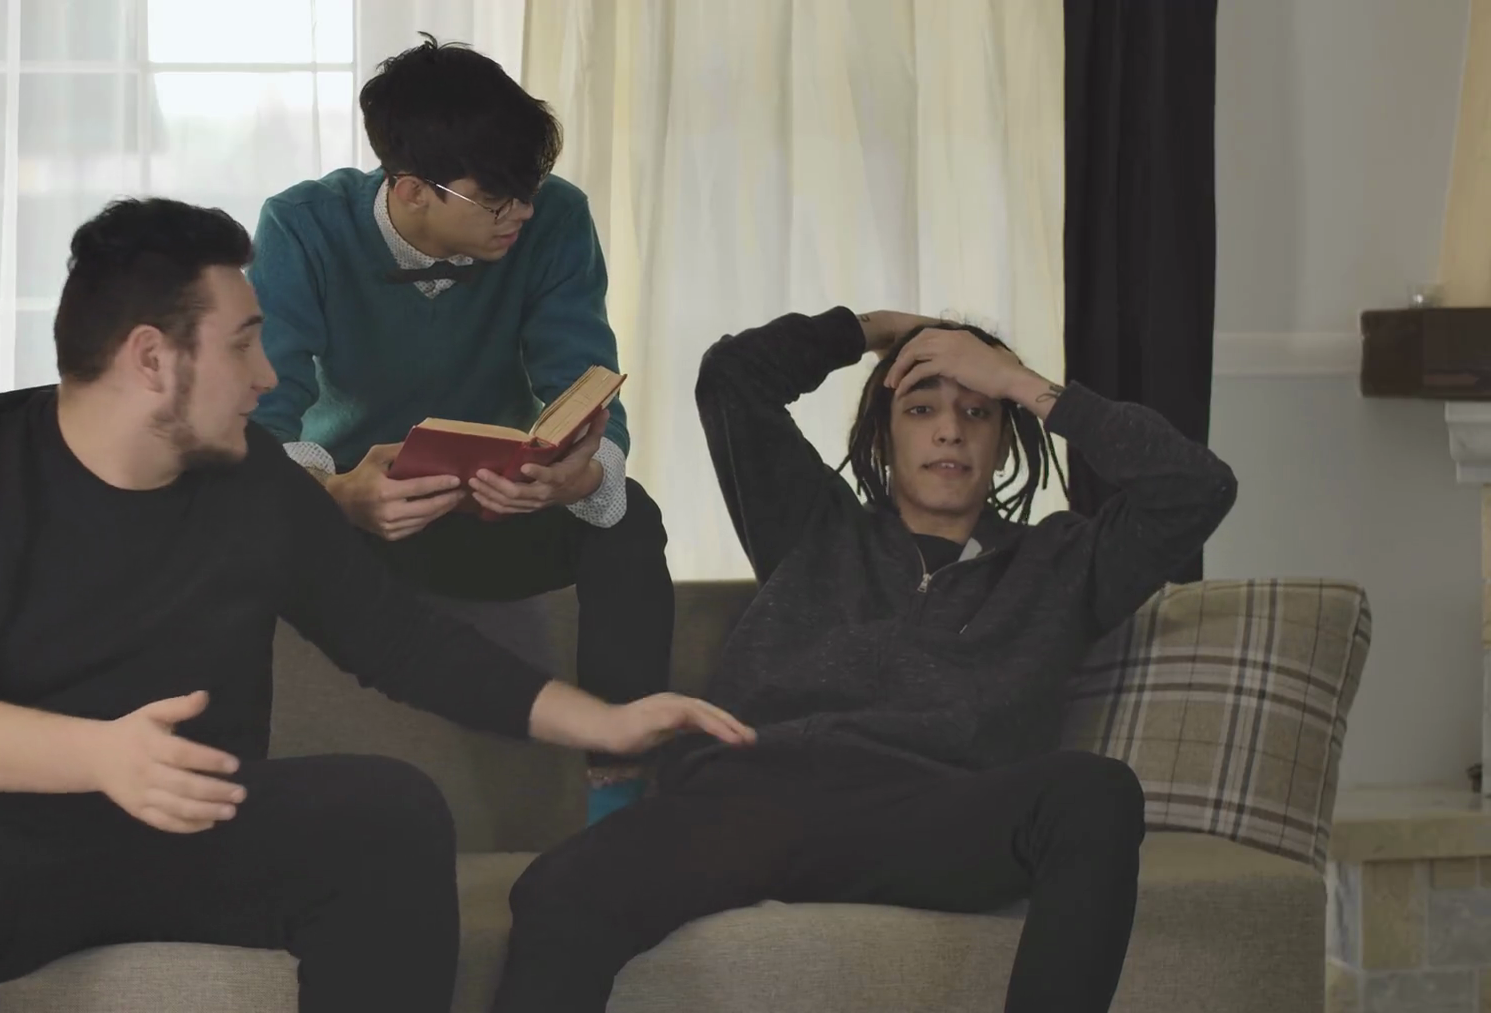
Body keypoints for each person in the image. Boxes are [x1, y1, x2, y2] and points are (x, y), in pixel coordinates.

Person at [0, 196, 754, 1013]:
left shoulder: (254, 478)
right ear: (151, 358)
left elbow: (400, 642)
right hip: (5, 834)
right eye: (243, 342)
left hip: (200, 819)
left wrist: (607, 720)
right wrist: (98, 754)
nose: (266, 374)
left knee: (392, 812)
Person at [488, 307, 1239, 1013]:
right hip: (752, 800)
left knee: (1096, 791)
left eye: (977, 412)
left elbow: (1197, 488)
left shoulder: (1066, 561)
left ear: (1006, 437)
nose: (950, 431)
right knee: (556, 888)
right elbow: (732, 376)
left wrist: (1018, 379)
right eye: (921, 408)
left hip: (930, 814)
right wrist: (887, 331)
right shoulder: (811, 523)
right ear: (884, 434)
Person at [246, 36, 671, 822]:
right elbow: (261, 418)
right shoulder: (301, 226)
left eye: (529, 189)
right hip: (361, 518)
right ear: (411, 189)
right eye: (498, 200)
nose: (524, 213)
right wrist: (336, 496)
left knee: (630, 515)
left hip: (495, 504)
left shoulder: (556, 218)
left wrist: (578, 473)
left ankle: (621, 797)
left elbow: (582, 379)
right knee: (241, 521)